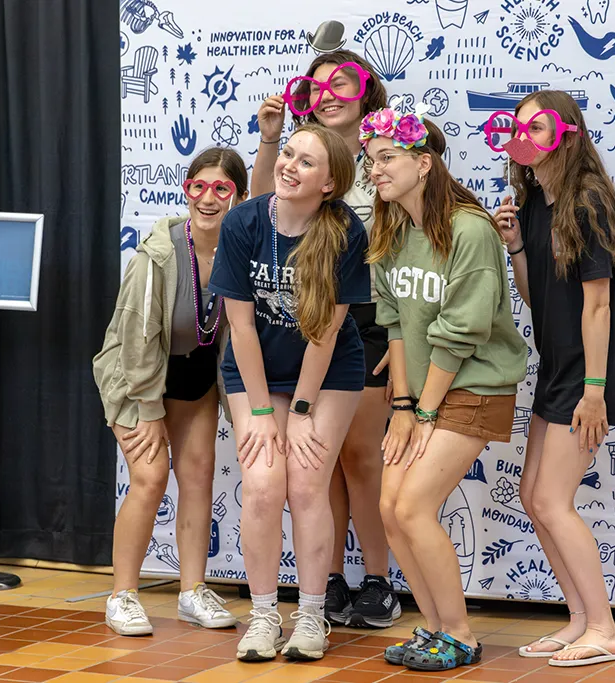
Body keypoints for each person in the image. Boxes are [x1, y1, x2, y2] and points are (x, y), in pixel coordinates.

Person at [363, 107, 528, 672]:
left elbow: (461, 333)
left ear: (423, 162)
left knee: (412, 506)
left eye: (387, 158)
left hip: (474, 386)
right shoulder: (391, 229)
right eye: (370, 160)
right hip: (425, 393)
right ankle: (433, 627)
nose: (375, 170)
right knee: (389, 508)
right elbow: (393, 323)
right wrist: (405, 407)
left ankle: (460, 634)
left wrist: (425, 412)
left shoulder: (470, 228)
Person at [209, 124, 369, 661]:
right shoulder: (244, 221)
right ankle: (261, 616)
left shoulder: (345, 230)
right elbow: (242, 327)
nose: (289, 165)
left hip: (327, 373)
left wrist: (300, 409)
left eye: (306, 162)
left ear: (329, 183)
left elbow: (325, 332)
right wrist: (259, 410)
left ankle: (311, 615)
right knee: (259, 485)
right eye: (288, 153)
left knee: (305, 484)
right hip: (255, 369)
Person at [493, 90, 615, 667]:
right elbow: (538, 302)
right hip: (557, 370)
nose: (526, 134)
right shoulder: (533, 203)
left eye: (539, 125)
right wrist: (514, 249)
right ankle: (579, 618)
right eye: (519, 125)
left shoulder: (587, 202)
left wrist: (595, 392)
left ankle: (605, 629)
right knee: (533, 497)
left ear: (567, 134)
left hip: (589, 377)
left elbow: (598, 305)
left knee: (553, 500)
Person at [252, 47, 398, 629]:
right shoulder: (297, 158)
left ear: (367, 94)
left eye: (342, 83)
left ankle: (380, 581)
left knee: (361, 459)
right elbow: (260, 206)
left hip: (365, 326)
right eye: (316, 86)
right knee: (320, 466)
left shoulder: (385, 156)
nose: (328, 93)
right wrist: (269, 140)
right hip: (301, 326)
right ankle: (330, 578)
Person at [93, 147, 248, 636]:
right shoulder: (158, 254)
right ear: (186, 190)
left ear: (238, 197)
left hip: (196, 374)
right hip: (139, 376)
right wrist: (148, 409)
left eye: (221, 189)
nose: (208, 198)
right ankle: (122, 595)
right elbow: (138, 339)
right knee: (151, 476)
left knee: (198, 476)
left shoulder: (240, 247)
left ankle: (191, 591)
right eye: (198, 187)